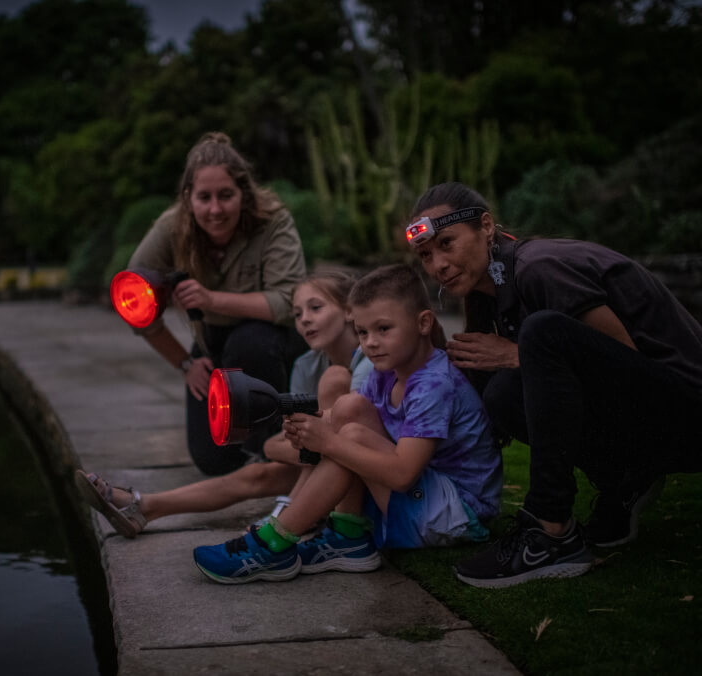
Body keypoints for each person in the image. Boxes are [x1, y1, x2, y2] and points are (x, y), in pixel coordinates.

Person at [405, 181, 702, 589]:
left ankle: (550, 533)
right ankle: (623, 483)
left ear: (486, 226)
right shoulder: (490, 291)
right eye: (426, 255)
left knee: (541, 333)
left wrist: (520, 354)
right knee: (501, 392)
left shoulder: (538, 266)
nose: (438, 265)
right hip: (651, 416)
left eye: (447, 243)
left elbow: (621, 358)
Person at [192, 264, 503, 584]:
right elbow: (337, 419)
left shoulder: (434, 385)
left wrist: (328, 442)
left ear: (422, 323)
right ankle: (348, 538)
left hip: (458, 514)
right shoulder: (386, 373)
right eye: (363, 332)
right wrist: (304, 430)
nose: (371, 342)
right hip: (428, 495)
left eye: (384, 329)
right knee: (349, 407)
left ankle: (275, 541)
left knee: (349, 438)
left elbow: (402, 475)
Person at [76, 270, 375, 538]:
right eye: (297, 314)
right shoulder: (308, 364)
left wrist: (301, 441)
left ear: (349, 310)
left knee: (334, 381)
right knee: (259, 473)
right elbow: (281, 443)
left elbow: (336, 432)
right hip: (327, 457)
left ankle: (289, 518)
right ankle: (146, 506)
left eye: (316, 308)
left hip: (365, 463)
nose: (304, 319)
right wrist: (292, 443)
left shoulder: (369, 358)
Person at [125, 132, 307, 476]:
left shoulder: (273, 221)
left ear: (244, 193)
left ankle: (275, 446)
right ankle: (251, 451)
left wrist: (211, 299)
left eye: (226, 195)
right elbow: (133, 299)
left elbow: (287, 302)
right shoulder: (171, 227)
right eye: (204, 197)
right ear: (187, 198)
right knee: (213, 460)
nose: (215, 209)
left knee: (248, 345)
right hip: (210, 339)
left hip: (273, 338)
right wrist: (185, 364)